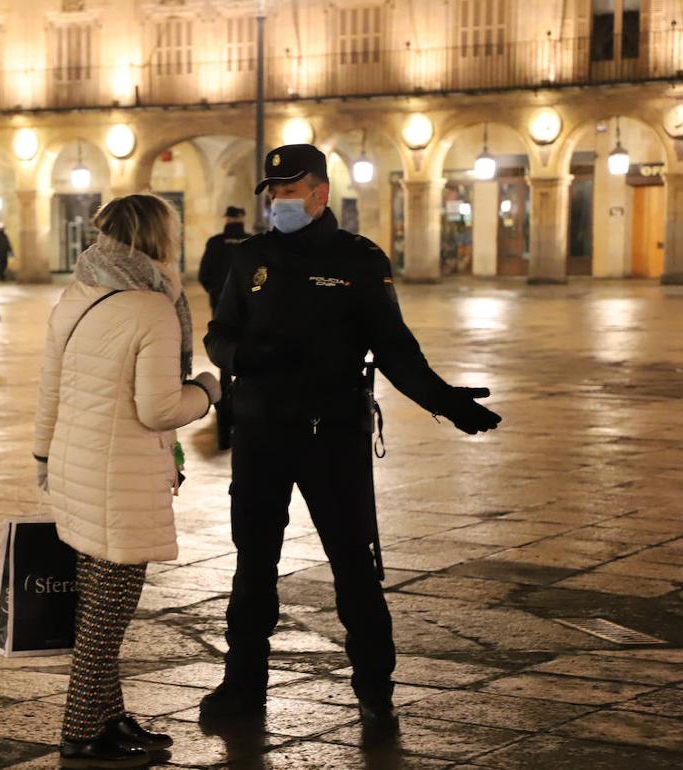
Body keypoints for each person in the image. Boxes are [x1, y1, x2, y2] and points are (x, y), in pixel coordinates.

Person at [199, 144, 502, 735]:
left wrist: (445, 402)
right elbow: (218, 336)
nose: (280, 201)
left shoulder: (359, 260)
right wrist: (246, 355)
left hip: (331, 436)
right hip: (261, 435)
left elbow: (393, 347)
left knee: (354, 567)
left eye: (291, 191)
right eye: (275, 192)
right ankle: (242, 688)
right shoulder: (250, 257)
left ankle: (375, 693)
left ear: (320, 194)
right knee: (253, 566)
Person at [34, 193, 222, 769]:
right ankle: (82, 733)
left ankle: (109, 719)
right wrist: (210, 391)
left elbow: (50, 386)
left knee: (97, 604)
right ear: (158, 238)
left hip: (74, 467)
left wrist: (44, 456)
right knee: (107, 616)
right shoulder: (152, 308)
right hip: (119, 477)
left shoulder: (78, 294)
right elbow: (159, 408)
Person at [198, 205, 249, 450]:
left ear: (226, 218)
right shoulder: (252, 243)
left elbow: (204, 274)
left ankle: (225, 399)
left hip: (220, 307)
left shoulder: (216, 243)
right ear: (243, 218)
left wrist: (215, 295)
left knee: (224, 351)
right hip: (250, 311)